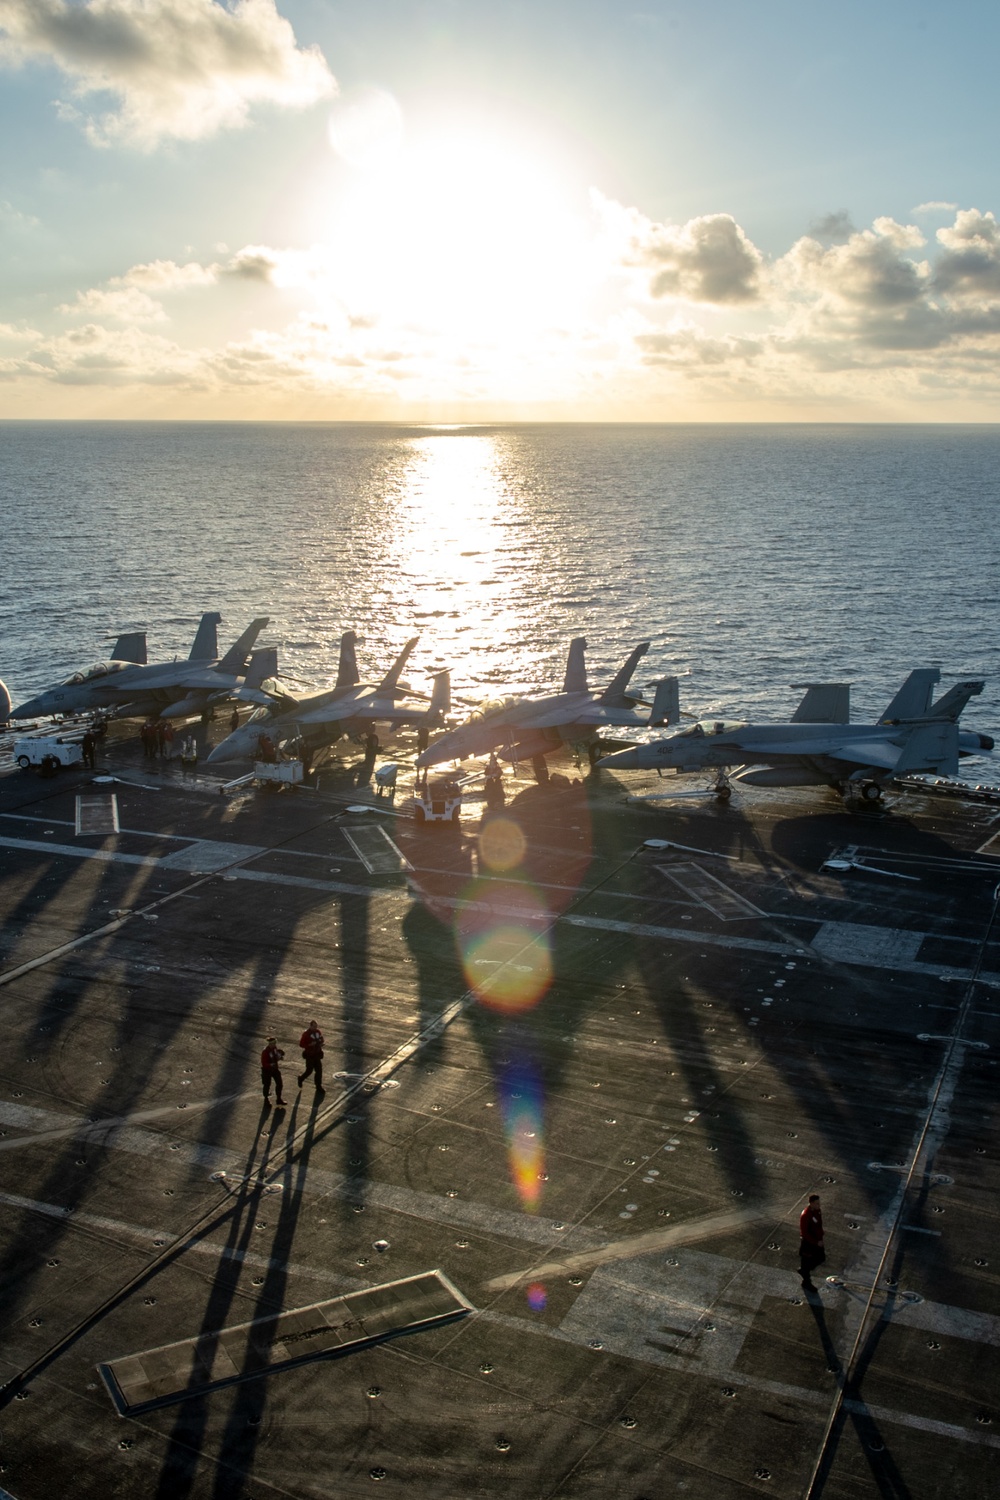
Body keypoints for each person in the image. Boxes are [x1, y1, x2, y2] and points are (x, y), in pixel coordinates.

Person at [799, 1194, 825, 1291]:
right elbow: (805, 1233)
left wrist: (821, 1233)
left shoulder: (817, 1211)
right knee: (808, 1261)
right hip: (809, 1243)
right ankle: (806, 1281)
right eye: (817, 1203)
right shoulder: (806, 1215)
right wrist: (816, 1242)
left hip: (817, 1240)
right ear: (811, 1203)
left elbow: (818, 1223)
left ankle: (804, 1270)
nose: (819, 1205)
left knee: (821, 1258)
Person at [297, 1020, 325, 1095]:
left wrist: (321, 1043)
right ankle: (301, 1078)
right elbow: (301, 1044)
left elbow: (320, 1039)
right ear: (310, 1026)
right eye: (314, 1026)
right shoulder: (306, 1034)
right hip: (309, 1055)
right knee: (309, 1070)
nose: (315, 1028)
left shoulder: (318, 1032)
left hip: (317, 1054)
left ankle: (318, 1086)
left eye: (316, 1026)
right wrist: (309, 1045)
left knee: (319, 1071)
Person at [260, 1037, 286, 1108]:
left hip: (274, 1069)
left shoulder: (274, 1049)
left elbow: (275, 1056)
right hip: (267, 1071)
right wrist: (270, 1065)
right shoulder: (265, 1052)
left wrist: (279, 1057)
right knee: (267, 1085)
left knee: (279, 1084)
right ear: (270, 1044)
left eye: (275, 1043)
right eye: (273, 1043)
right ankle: (266, 1099)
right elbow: (264, 1063)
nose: (274, 1045)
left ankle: (279, 1099)